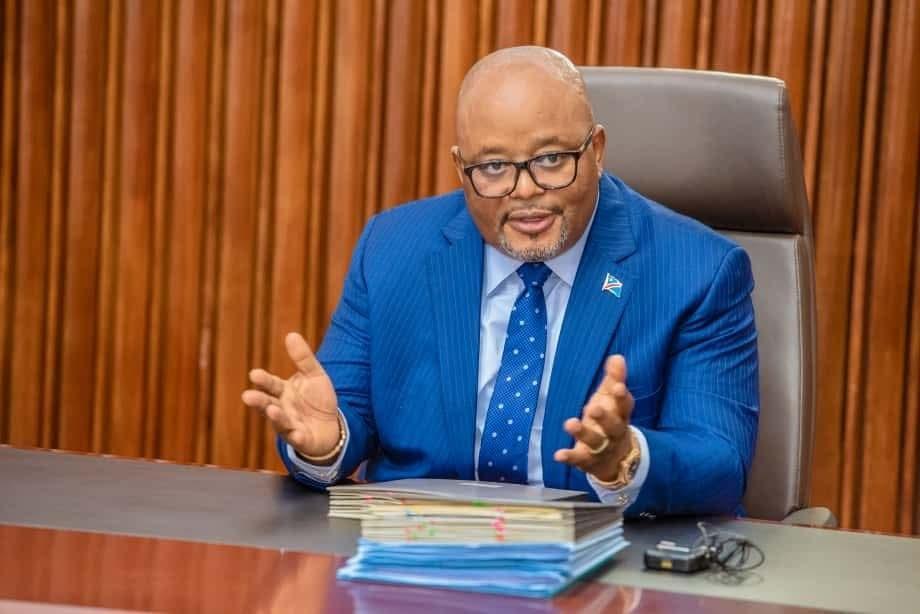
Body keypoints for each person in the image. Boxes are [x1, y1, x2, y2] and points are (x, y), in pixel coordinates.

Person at [242, 46, 758, 516]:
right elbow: (340, 412)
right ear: (460, 167)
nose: (525, 191)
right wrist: (328, 443)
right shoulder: (393, 249)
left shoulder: (697, 271)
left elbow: (719, 461)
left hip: (602, 559)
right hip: (420, 554)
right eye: (492, 167)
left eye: (551, 160)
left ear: (596, 150)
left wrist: (626, 459)